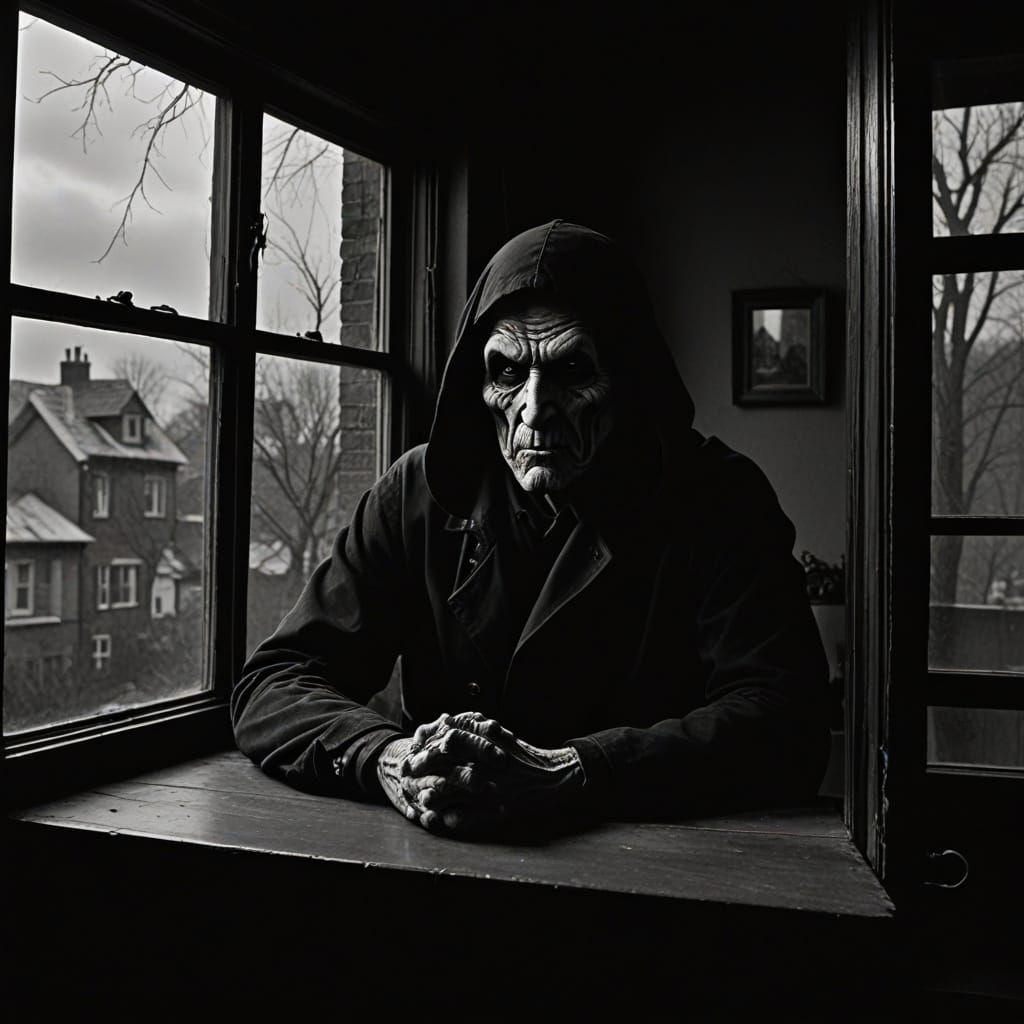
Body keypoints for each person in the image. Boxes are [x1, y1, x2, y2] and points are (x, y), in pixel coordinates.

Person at [232, 220, 831, 836]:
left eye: (573, 370)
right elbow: (273, 683)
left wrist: (576, 770)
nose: (535, 409)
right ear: (478, 383)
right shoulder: (416, 495)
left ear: (630, 376)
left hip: (649, 864)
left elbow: (787, 719)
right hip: (436, 852)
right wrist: (386, 758)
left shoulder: (718, 499)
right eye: (507, 372)